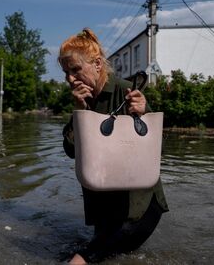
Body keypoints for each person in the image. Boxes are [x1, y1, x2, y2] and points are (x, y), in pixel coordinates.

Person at [58, 28, 168, 264]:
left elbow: (158, 151)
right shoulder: (84, 100)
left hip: (138, 208)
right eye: (66, 72)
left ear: (97, 64)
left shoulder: (125, 91)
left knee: (81, 260)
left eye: (75, 70)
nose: (70, 78)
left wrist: (143, 112)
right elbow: (71, 151)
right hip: (104, 209)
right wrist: (79, 111)